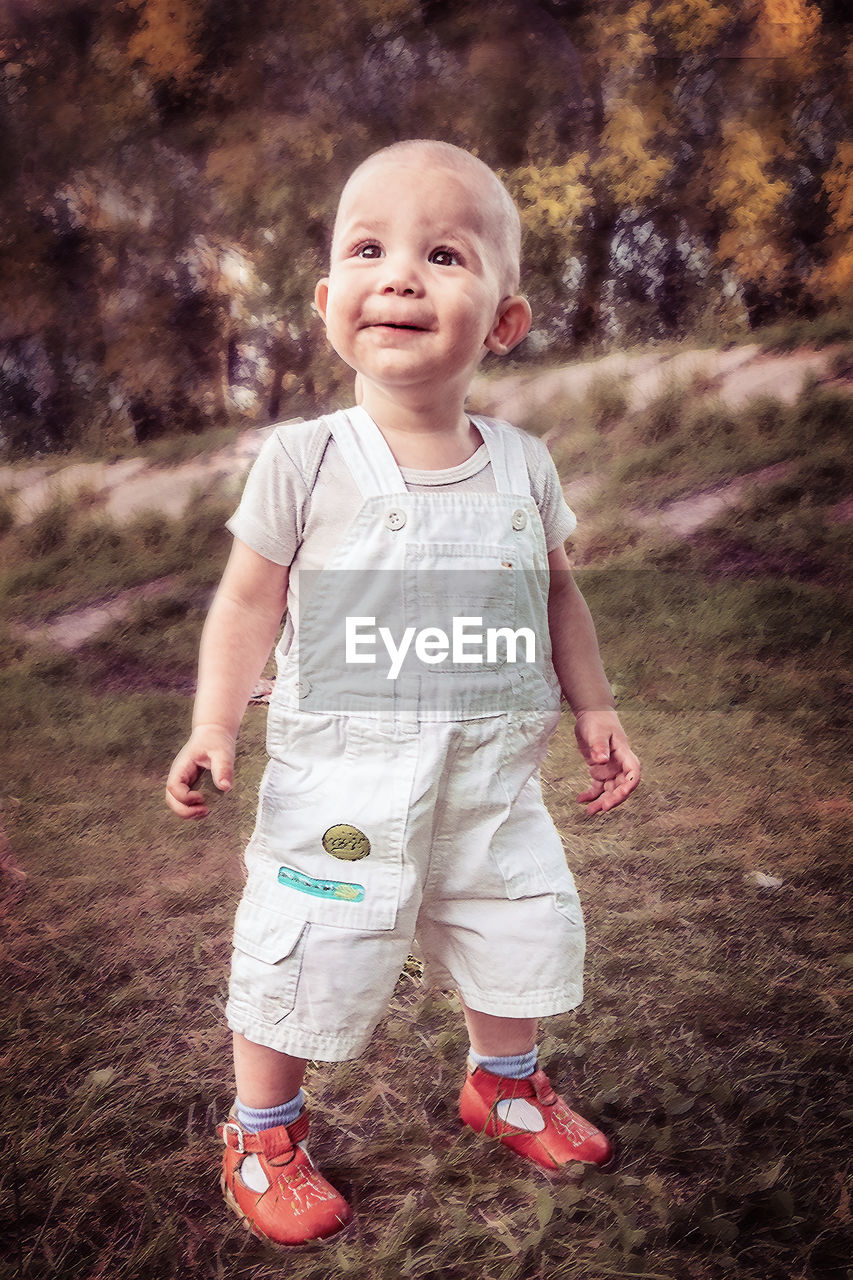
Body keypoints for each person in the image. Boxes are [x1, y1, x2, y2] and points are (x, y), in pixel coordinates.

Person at [166, 139, 640, 1247]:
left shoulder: (523, 464)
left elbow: (556, 592)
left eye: (442, 253)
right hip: (345, 781)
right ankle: (262, 1130)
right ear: (331, 301)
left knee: (512, 916)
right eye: (370, 250)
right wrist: (212, 722)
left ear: (505, 320)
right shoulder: (305, 458)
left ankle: (505, 1083)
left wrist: (594, 703)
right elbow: (245, 603)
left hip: (489, 777)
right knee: (301, 942)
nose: (401, 276)